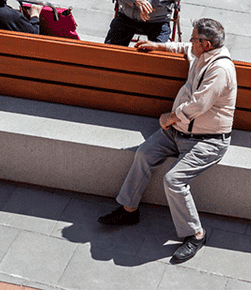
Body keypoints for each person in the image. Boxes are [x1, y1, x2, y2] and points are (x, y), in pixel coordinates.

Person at [98, 18, 237, 264]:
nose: (190, 41)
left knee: (173, 180)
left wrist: (170, 118)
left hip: (207, 140)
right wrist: (157, 46)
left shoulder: (220, 69)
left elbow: (199, 105)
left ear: (205, 44)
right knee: (143, 154)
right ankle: (129, 210)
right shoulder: (201, 53)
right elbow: (184, 48)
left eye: (194, 38)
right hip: (178, 132)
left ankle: (196, 234)